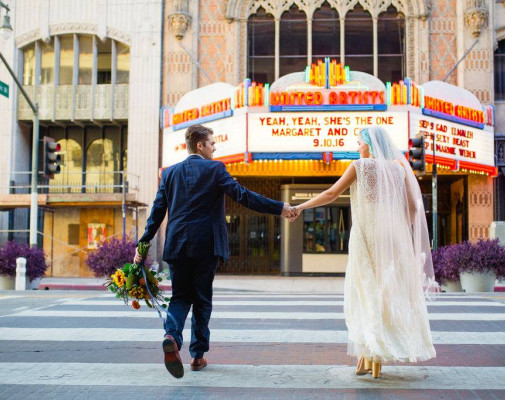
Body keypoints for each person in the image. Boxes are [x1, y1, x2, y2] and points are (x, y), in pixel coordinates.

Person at [134, 124, 297, 379]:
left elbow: (156, 214)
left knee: (179, 298)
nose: (215, 147)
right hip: (206, 246)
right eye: (212, 143)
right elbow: (243, 196)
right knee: (201, 299)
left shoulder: (170, 173)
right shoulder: (215, 169)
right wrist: (279, 208)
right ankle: (197, 356)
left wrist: (142, 246)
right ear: (200, 145)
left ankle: (171, 337)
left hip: (176, 244)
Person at [290, 126, 438, 379]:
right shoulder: (399, 170)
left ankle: (371, 354)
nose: (357, 147)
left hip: (365, 238)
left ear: (370, 144)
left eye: (359, 142)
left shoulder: (359, 167)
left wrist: (300, 207)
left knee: (365, 293)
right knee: (385, 291)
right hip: (390, 238)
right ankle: (370, 355)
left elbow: (330, 194)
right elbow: (414, 208)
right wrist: (400, 232)